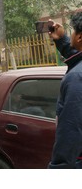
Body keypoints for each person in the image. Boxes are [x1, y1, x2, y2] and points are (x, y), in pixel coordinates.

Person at [47, 14, 82, 169]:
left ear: (79, 37)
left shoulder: (76, 78)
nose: (71, 34)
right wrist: (61, 39)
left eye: (73, 31)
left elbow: (70, 131)